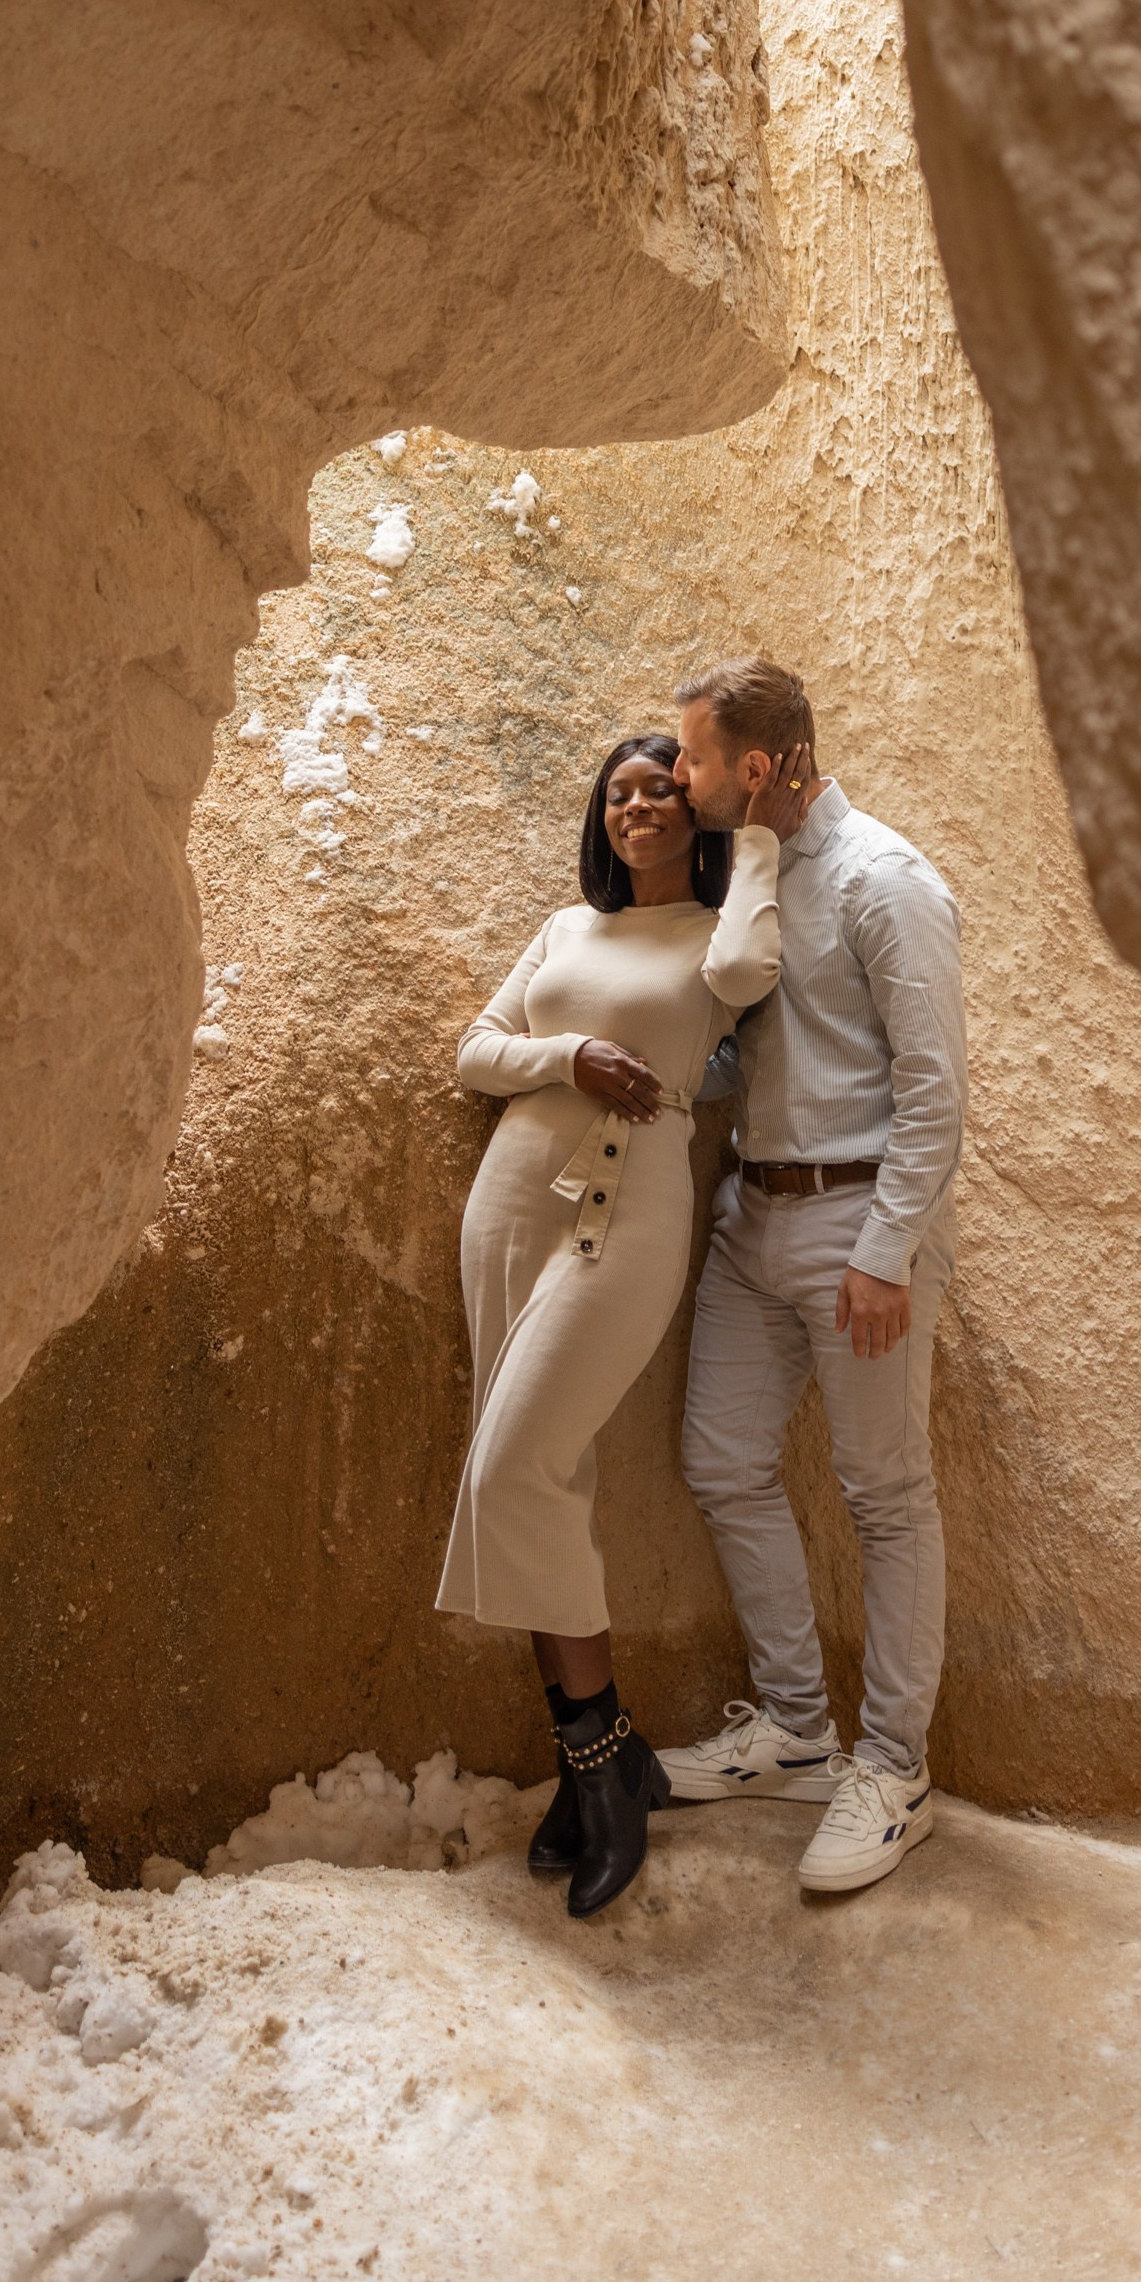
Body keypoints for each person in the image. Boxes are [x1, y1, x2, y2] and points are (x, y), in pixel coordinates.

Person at [437, 731, 791, 1916]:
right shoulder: (564, 925)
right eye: (620, 792)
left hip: (629, 1211)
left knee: (514, 1469)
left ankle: (602, 1760)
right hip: (510, 1203)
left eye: (660, 788)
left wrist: (746, 845)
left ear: (692, 811)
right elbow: (475, 1052)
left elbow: (745, 973)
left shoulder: (716, 936)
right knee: (553, 1480)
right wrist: (570, 1054)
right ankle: (602, 1770)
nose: (637, 805)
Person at [659, 657, 965, 1895]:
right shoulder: (750, 875)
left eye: (694, 757)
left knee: (884, 1492)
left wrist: (888, 1250)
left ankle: (895, 1772)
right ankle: (794, 1731)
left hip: (861, 1227)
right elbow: (756, 1059)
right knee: (720, 1457)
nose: (679, 777)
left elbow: (935, 1087)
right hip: (753, 1217)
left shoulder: (888, 879)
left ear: (763, 765)